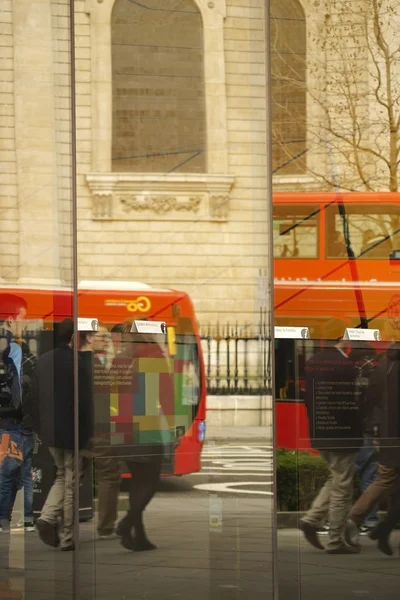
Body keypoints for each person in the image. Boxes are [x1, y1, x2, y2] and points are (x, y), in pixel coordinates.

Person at [299, 338, 363, 554]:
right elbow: (352, 404)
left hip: (321, 432)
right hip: (342, 435)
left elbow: (309, 397)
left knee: (335, 478)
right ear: (344, 340)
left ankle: (311, 520)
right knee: (343, 488)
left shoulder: (314, 360)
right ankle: (335, 541)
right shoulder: (346, 367)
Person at [34, 318, 93, 551]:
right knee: (71, 484)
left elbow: (34, 398)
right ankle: (67, 537)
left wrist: (40, 429)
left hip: (50, 433)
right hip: (72, 434)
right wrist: (88, 436)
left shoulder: (42, 361)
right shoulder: (77, 362)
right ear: (72, 338)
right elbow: (85, 404)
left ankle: (47, 517)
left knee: (62, 475)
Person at [111, 322, 168, 552]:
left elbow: (112, 394)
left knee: (137, 479)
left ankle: (139, 536)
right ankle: (128, 522)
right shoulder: (155, 355)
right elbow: (166, 394)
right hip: (148, 427)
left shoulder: (120, 358)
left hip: (123, 426)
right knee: (151, 480)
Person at [345, 342, 400, 556]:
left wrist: (376, 430)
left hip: (386, 433)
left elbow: (373, 399)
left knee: (390, 482)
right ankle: (357, 518)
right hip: (395, 434)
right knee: (385, 479)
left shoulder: (383, 364)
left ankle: (382, 531)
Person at [0, 293, 37, 533]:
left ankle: (13, 518)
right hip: (15, 422)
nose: (26, 322)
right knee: (14, 472)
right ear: (11, 319)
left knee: (12, 471)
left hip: (9, 421)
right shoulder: (12, 347)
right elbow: (19, 390)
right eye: (23, 317)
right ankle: (17, 518)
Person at [82, 326, 122, 540]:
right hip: (98, 427)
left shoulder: (89, 360)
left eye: (108, 336)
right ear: (89, 338)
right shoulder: (91, 363)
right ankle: (106, 527)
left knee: (70, 477)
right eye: (101, 336)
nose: (107, 340)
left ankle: (51, 519)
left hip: (84, 428)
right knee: (109, 475)